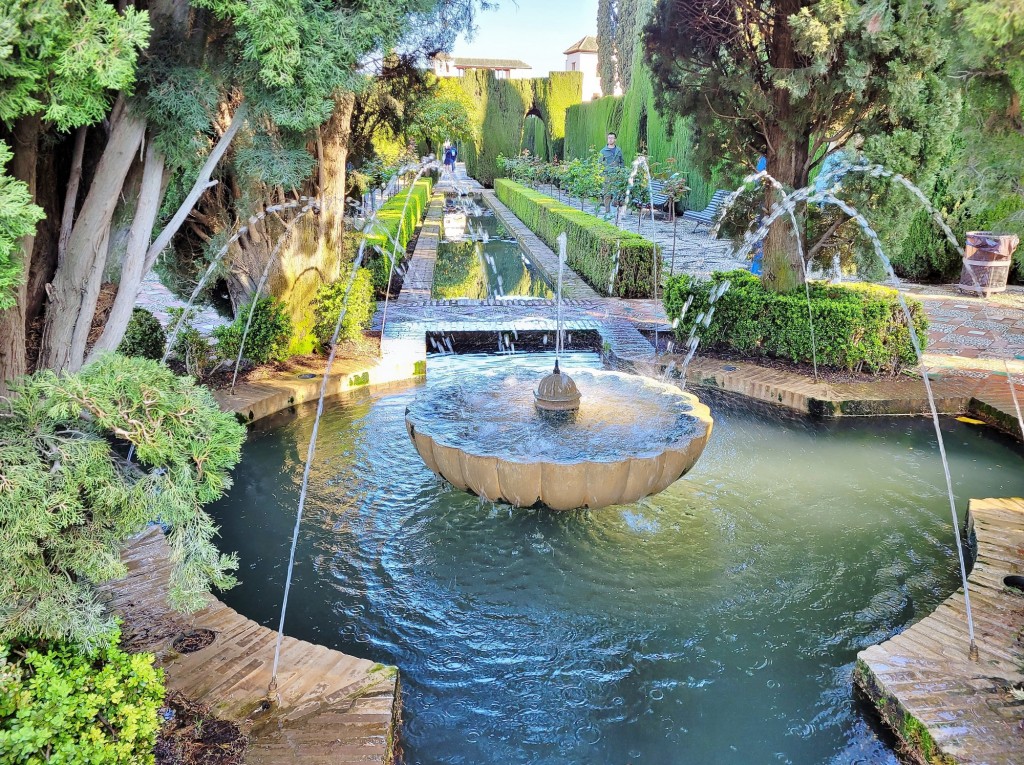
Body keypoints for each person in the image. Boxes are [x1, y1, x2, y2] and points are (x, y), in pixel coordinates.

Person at [600, 132, 624, 215]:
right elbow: (600, 164)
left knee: (617, 192)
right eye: (609, 138)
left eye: (612, 138)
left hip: (617, 175)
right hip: (607, 175)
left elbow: (622, 162)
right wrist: (602, 174)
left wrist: (621, 171)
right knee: (607, 193)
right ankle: (607, 210)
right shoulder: (603, 151)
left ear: (615, 139)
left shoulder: (619, 150)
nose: (610, 139)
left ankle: (615, 209)